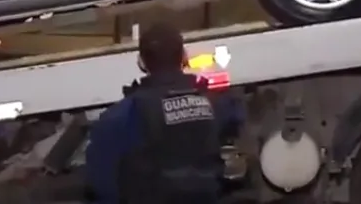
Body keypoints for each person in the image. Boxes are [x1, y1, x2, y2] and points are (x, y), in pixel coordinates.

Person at [85, 21, 243, 204]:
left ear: (141, 62)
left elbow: (101, 182)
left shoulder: (121, 117)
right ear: (184, 57)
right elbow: (236, 127)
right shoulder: (218, 104)